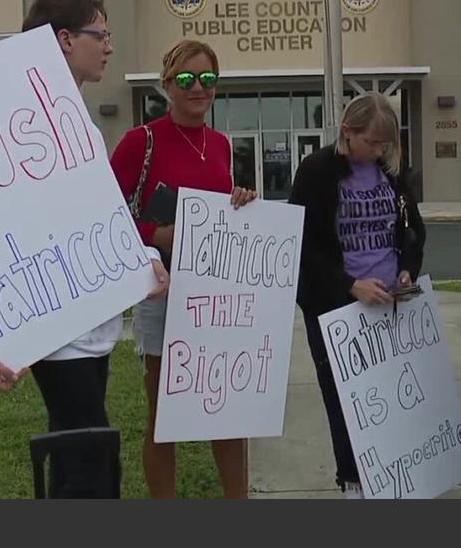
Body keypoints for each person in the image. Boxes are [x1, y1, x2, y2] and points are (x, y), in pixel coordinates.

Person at [0, 0, 170, 498]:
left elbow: (94, 223)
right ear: (66, 39)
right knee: (90, 470)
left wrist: (143, 261)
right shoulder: (22, 126)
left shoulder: (82, 127)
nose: (109, 48)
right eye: (102, 35)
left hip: (91, 326)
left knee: (80, 461)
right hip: (56, 332)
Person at [109, 39, 258, 499]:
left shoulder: (221, 145)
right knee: (164, 416)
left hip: (216, 290)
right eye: (188, 79)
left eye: (209, 79)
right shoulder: (142, 141)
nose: (199, 88)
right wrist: (156, 235)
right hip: (163, 287)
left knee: (228, 411)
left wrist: (244, 201)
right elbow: (103, 216)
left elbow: (226, 213)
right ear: (167, 84)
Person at [288, 92, 426, 498]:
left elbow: (413, 230)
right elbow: (304, 244)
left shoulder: (390, 173)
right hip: (335, 307)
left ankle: (391, 476)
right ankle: (353, 481)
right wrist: (350, 285)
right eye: (372, 141)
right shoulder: (317, 171)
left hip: (390, 304)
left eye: (386, 143)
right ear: (347, 132)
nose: (379, 150)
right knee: (345, 401)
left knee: (391, 397)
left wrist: (408, 269)